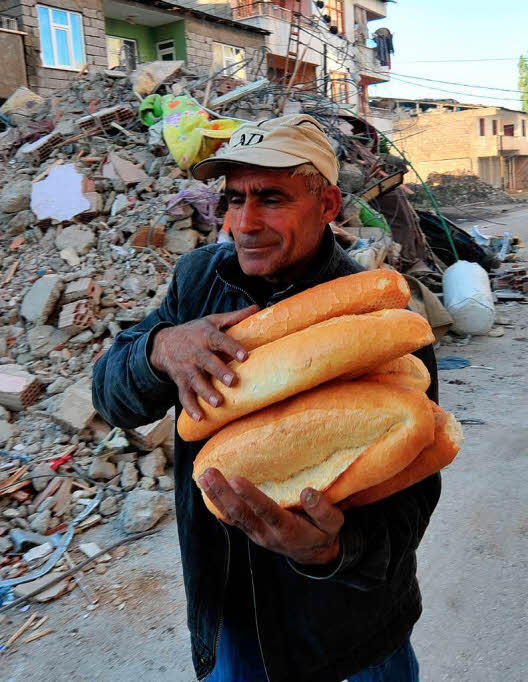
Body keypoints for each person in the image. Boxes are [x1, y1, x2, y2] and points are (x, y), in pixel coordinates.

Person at [92, 115, 438, 682]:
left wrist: (331, 550)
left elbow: (412, 500)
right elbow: (113, 399)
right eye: (233, 199)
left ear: (326, 203)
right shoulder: (197, 282)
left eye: (270, 198)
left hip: (349, 638)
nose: (244, 223)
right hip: (232, 622)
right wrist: (158, 349)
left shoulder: (380, 323)